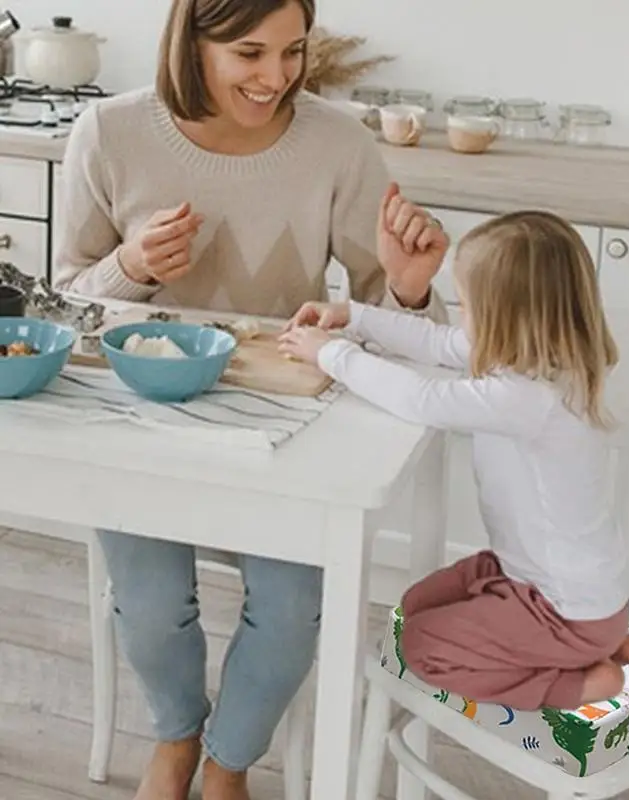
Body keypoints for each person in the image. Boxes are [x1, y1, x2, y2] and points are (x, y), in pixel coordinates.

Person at [53, 0, 449, 798]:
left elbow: (408, 328)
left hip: (284, 413)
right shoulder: (109, 132)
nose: (276, 78)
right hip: (142, 413)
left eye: (293, 52)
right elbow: (64, 304)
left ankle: (229, 759)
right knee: (153, 599)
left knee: (296, 601)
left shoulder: (337, 143)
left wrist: (408, 293)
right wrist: (132, 264)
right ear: (190, 43)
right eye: (249, 53)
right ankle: (177, 739)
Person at [279, 210, 629, 714]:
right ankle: (592, 643)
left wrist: (331, 355)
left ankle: (581, 679)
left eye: (469, 305)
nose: (463, 317)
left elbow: (422, 399)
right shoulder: (549, 359)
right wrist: (355, 316)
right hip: (560, 589)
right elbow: (437, 344)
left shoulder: (530, 397)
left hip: (559, 609)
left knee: (422, 646)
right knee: (415, 607)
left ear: (508, 315)